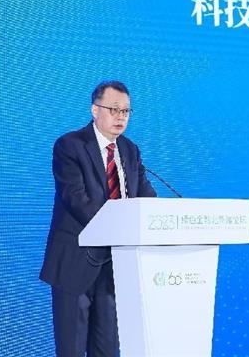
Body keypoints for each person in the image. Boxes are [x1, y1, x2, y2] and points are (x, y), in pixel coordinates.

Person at [40, 80, 156, 356]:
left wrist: (157, 218)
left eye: (126, 111)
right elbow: (76, 199)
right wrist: (120, 227)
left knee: (107, 349)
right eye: (114, 109)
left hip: (116, 268)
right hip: (75, 265)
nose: (120, 117)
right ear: (95, 110)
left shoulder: (130, 150)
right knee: (71, 349)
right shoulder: (70, 145)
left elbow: (145, 197)